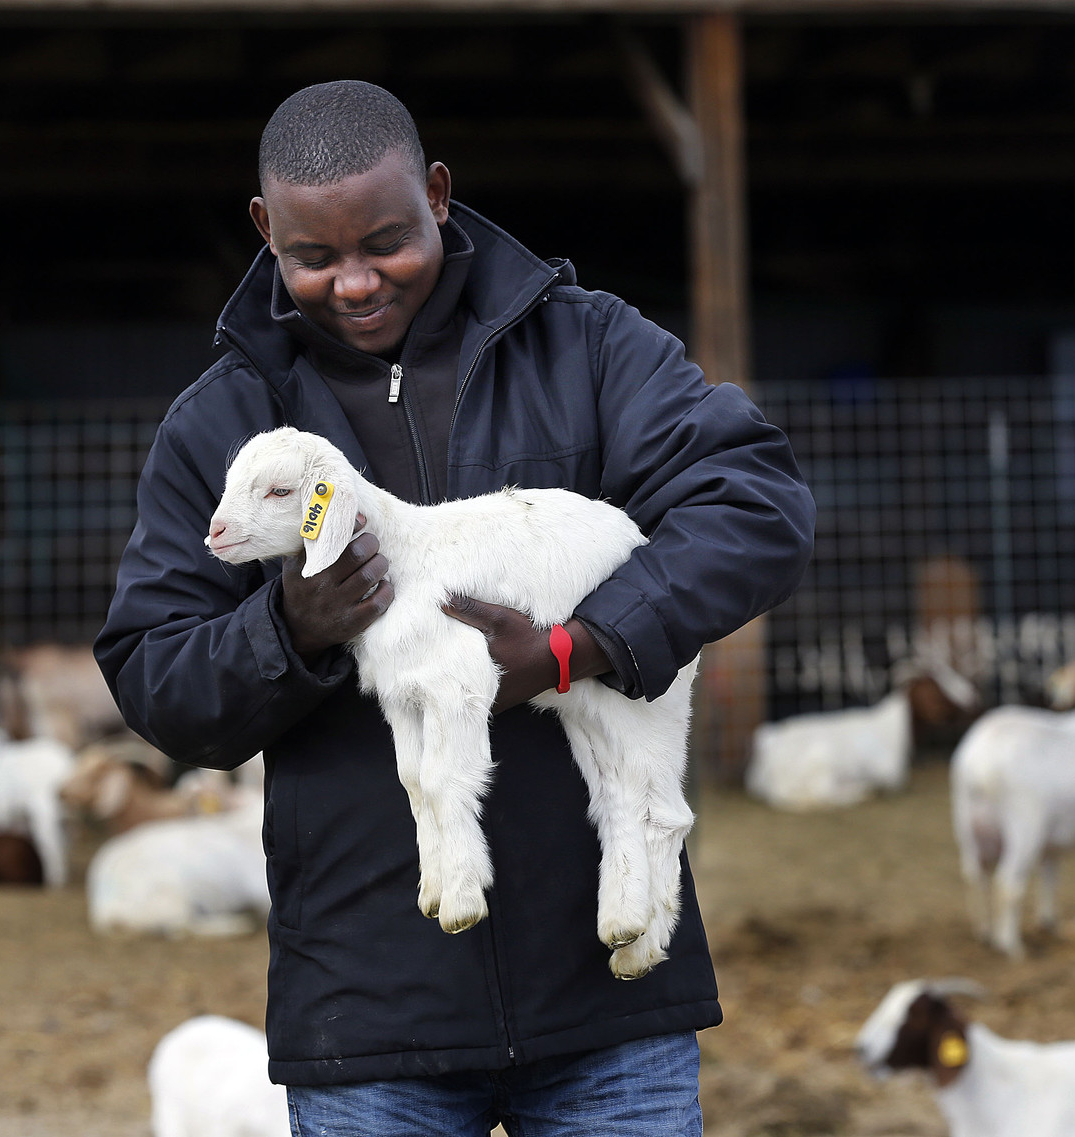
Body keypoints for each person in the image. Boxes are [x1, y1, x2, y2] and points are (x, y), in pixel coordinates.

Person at [95, 80, 814, 1136]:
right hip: (367, 1015)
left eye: (384, 241)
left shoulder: (586, 352)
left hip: (606, 1003)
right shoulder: (230, 423)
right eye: (311, 257)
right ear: (264, 230)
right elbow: (155, 671)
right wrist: (291, 628)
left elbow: (753, 505)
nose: (352, 282)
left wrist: (581, 646)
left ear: (437, 194)